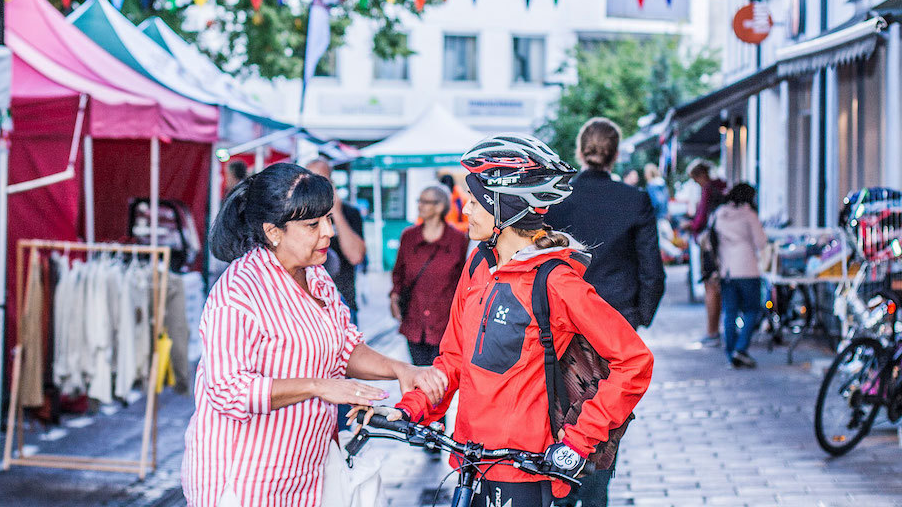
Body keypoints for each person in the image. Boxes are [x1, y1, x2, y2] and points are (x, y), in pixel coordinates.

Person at [365, 133, 654, 507]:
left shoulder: (556, 281)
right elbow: (454, 359)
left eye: (475, 201)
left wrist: (579, 440)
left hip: (525, 470)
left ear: (505, 207)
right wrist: (410, 408)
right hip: (469, 461)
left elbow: (634, 361)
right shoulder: (478, 265)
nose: (466, 210)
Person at [182, 163, 444, 507]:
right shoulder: (238, 293)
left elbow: (344, 348)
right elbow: (228, 390)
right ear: (273, 232)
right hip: (244, 478)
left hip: (306, 470)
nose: (328, 232)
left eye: (328, 219)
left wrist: (401, 370)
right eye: (313, 225)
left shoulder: (316, 277)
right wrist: (318, 386)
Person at [542, 119, 664, 507]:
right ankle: (594, 494)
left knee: (556, 413)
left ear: (581, 151)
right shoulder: (634, 200)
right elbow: (652, 268)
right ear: (615, 154)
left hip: (560, 325)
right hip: (614, 327)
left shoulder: (558, 198)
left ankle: (560, 490)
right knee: (604, 415)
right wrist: (639, 316)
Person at [390, 183, 469, 366]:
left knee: (441, 376)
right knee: (419, 373)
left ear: (440, 206)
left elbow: (463, 280)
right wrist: (394, 298)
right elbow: (398, 273)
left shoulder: (458, 239)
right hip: (414, 322)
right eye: (419, 201)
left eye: (425, 202)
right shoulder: (409, 236)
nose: (420, 205)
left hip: (445, 324)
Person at [712, 183, 768, 369]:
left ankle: (731, 353)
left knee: (730, 312)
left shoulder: (719, 214)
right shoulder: (748, 215)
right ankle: (741, 348)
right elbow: (761, 242)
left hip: (726, 270)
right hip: (747, 269)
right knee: (752, 310)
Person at [305, 157, 366, 324]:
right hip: (308, 304)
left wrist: (336, 213)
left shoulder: (349, 213)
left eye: (321, 181)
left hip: (342, 301)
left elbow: (356, 256)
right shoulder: (299, 215)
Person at [687, 159, 727, 347]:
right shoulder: (722, 186)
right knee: (717, 286)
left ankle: (712, 332)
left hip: (710, 244)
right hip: (724, 244)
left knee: (710, 286)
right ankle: (716, 331)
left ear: (700, 175)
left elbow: (701, 218)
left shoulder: (708, 189)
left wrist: (691, 226)